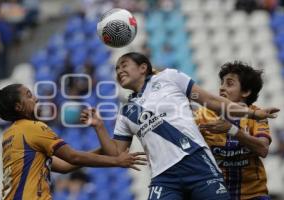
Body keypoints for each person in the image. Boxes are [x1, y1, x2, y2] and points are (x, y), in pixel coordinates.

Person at [80, 52, 279, 200]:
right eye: (116, 68)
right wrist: (98, 127)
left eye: (124, 65)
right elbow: (115, 151)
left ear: (143, 67)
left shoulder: (169, 78)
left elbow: (211, 100)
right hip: (163, 177)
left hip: (205, 169)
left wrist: (251, 114)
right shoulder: (125, 113)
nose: (119, 70)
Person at [0, 83, 146, 200]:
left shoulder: (9, 134)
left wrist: (105, 148)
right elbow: (73, 157)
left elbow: (65, 166)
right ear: (19, 106)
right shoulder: (32, 128)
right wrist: (117, 161)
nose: (35, 98)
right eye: (29, 95)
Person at [194, 61, 274, 200]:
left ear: (246, 91)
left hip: (254, 195)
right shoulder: (203, 115)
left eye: (229, 84)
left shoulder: (257, 115)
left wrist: (232, 130)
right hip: (217, 194)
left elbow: (263, 149)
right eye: (222, 83)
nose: (222, 89)